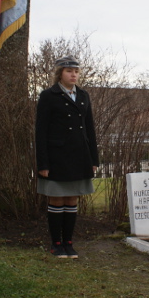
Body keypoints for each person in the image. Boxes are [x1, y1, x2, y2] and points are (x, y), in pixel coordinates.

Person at [35, 56, 99, 259]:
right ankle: (56, 244)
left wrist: (94, 160)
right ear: (60, 73)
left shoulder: (83, 95)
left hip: (80, 155)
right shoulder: (48, 95)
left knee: (72, 199)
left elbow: (90, 129)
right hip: (56, 157)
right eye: (69, 71)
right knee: (56, 199)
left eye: (76, 71)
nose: (74, 75)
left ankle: (68, 243)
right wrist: (43, 162)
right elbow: (40, 131)